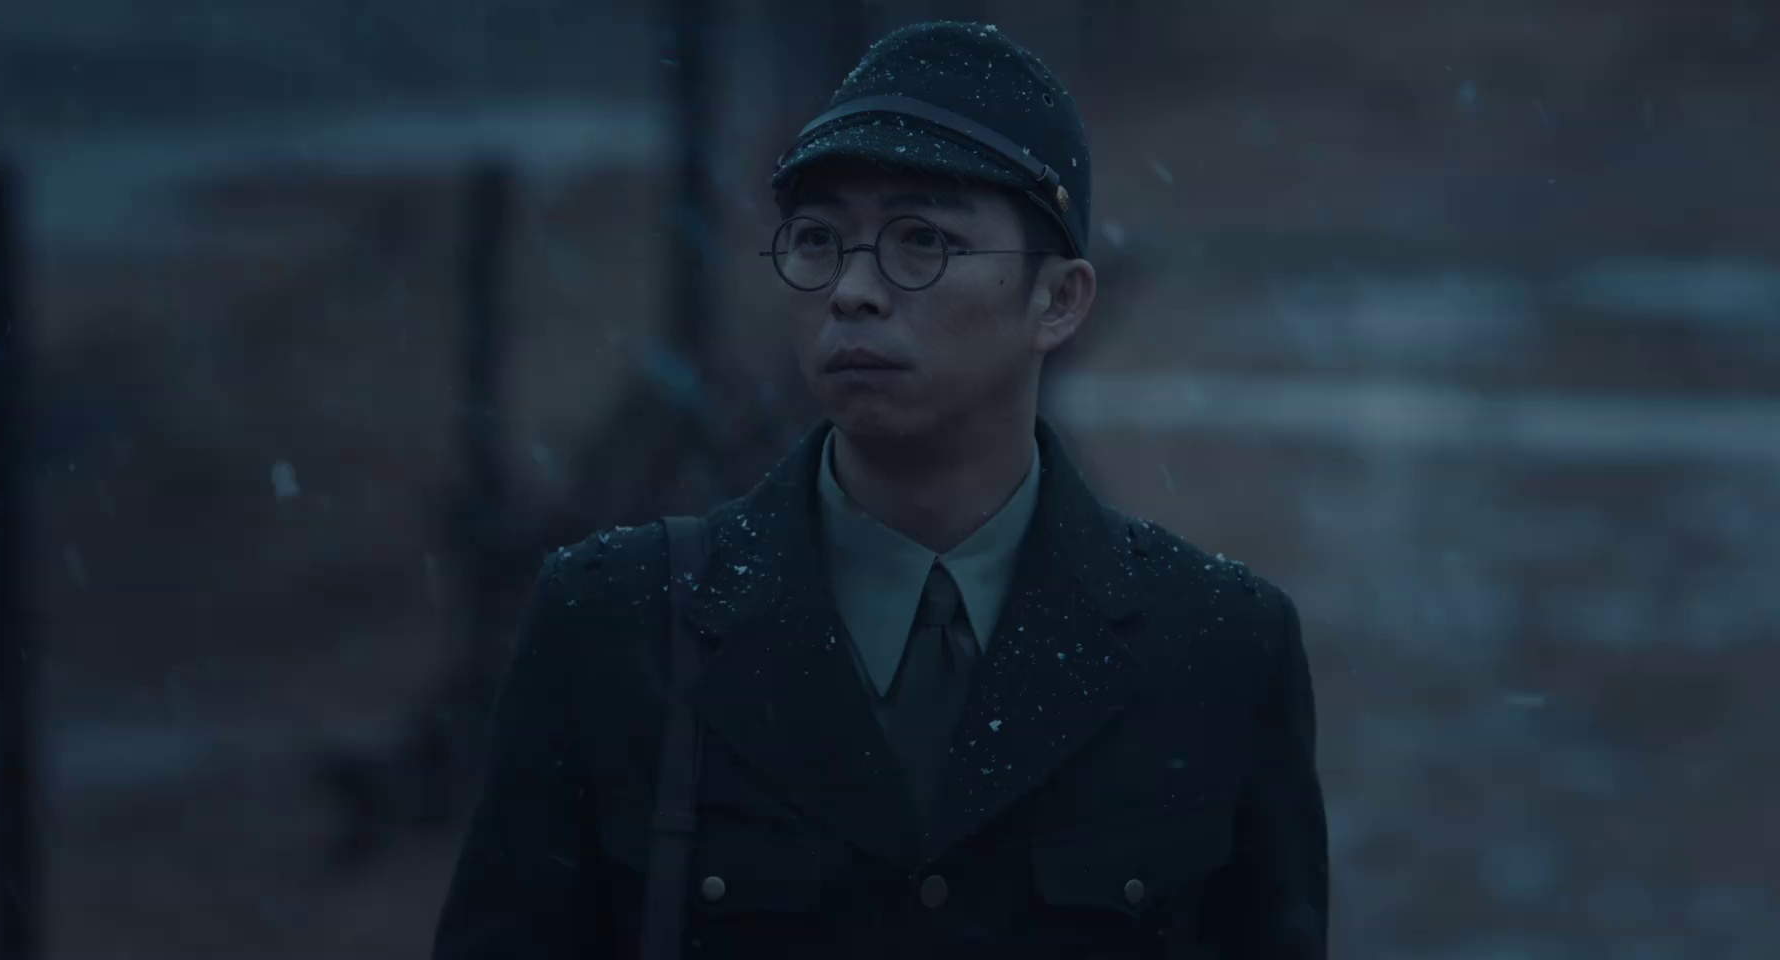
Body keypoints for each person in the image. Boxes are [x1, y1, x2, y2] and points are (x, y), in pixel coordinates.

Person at [434, 20, 1327, 959]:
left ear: (1058, 299)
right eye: (819, 239)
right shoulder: (620, 626)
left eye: (922, 240)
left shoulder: (1218, 651)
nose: (852, 289)